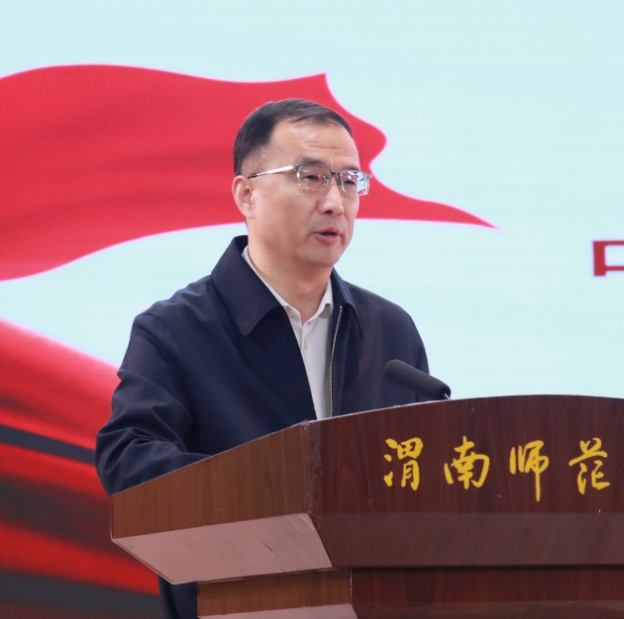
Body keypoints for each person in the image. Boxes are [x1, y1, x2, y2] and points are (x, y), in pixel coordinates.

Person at [95, 99, 429, 619]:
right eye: (311, 177)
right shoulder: (176, 330)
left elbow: (421, 473)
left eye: (349, 181)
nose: (335, 203)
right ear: (246, 194)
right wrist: (279, 485)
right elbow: (129, 463)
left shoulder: (390, 331)